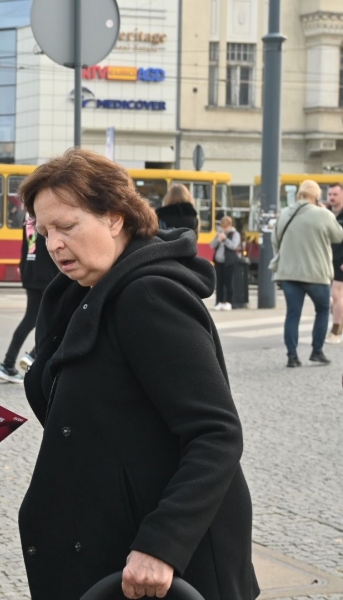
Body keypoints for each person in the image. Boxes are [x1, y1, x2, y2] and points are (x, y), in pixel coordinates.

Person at [18, 148, 259, 599]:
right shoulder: (79, 292)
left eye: (67, 227)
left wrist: (163, 544)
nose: (53, 244)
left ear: (115, 218)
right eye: (44, 231)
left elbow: (216, 433)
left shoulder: (148, 296)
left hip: (159, 561)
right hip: (112, 539)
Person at [272, 179, 343, 368]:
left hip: (289, 274)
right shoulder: (323, 214)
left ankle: (292, 356)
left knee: (292, 314)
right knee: (322, 310)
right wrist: (325, 213)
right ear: (317, 195)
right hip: (316, 274)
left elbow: (275, 240)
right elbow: (338, 235)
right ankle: (317, 351)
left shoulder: (285, 213)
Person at [0, 214, 59, 383]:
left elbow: (27, 248)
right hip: (49, 275)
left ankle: (8, 364)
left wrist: (24, 271)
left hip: (31, 273)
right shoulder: (48, 216)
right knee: (58, 320)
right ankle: (33, 355)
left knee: (30, 319)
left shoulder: (29, 220)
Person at [210, 215, 241, 311]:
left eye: (225, 227)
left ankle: (229, 302)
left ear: (230, 225)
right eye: (222, 226)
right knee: (219, 283)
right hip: (218, 261)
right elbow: (212, 245)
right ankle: (219, 302)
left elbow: (234, 246)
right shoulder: (220, 233)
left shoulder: (235, 234)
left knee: (229, 283)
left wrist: (225, 239)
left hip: (229, 262)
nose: (224, 229)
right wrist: (218, 240)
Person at [326, 183, 343, 344]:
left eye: (335, 194)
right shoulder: (325, 212)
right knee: (329, 297)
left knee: (336, 295)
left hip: (340, 261)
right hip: (325, 260)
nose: (332, 197)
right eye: (330, 194)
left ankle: (336, 330)